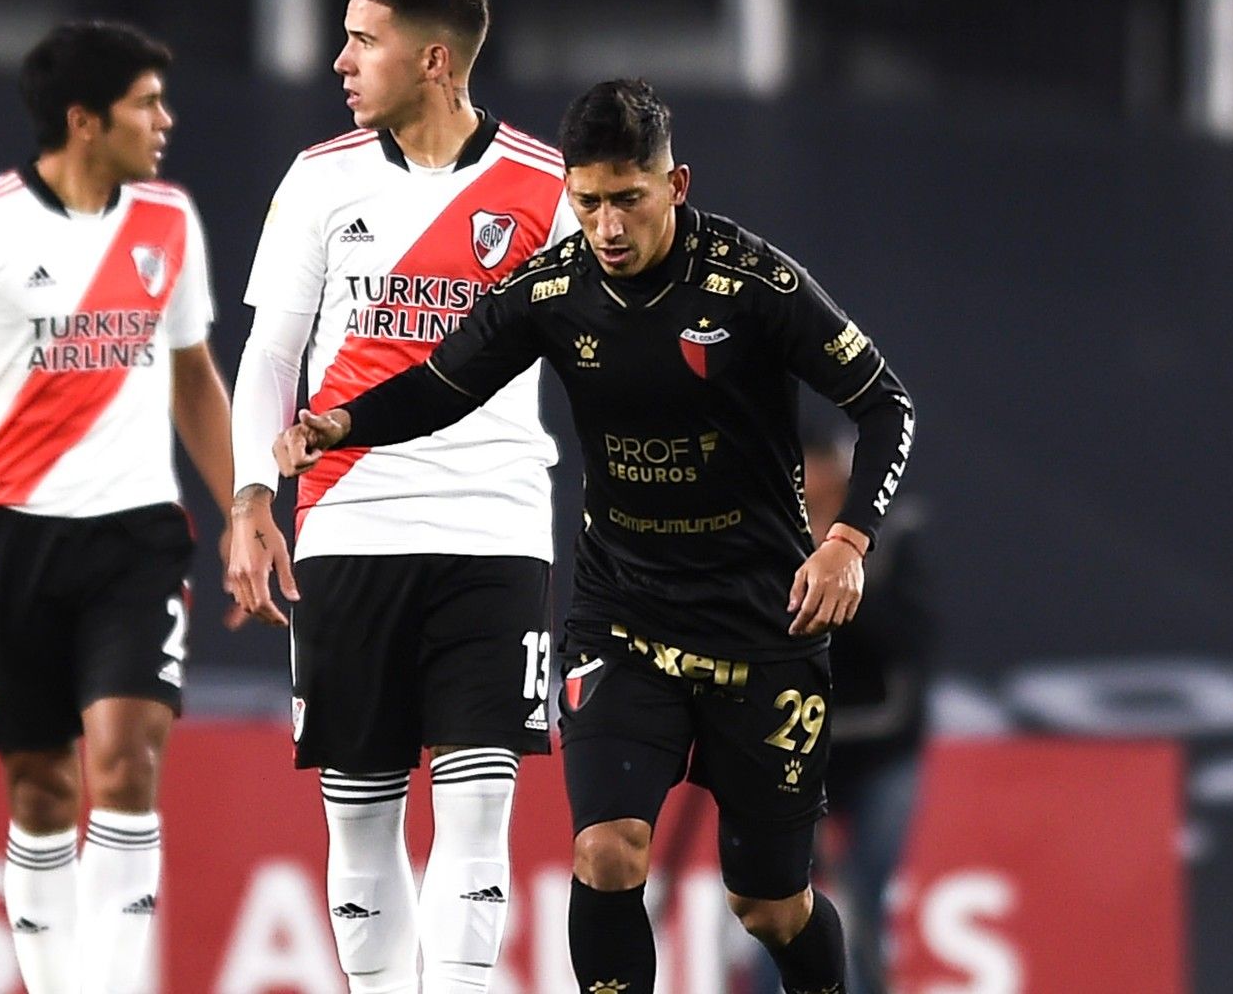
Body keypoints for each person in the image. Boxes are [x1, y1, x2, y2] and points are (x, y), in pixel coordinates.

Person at [275, 78, 916, 994]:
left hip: (760, 625)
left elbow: (886, 402)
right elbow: (443, 382)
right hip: (625, 626)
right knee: (606, 854)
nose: (607, 226)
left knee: (768, 904)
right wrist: (342, 423)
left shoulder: (754, 284)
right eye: (587, 203)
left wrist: (847, 540)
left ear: (676, 185)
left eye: (628, 199)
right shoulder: (554, 288)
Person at [226, 0, 581, 994]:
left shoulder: (548, 189)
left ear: (433, 61)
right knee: (362, 813)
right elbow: (271, 359)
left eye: (363, 39)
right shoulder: (319, 181)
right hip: (349, 527)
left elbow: (602, 360)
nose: (340, 59)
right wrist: (253, 496)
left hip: (495, 530)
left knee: (479, 811)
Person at [0, 20, 235, 994]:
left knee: (127, 763)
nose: (165, 121)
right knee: (40, 786)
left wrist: (246, 508)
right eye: (145, 105)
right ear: (86, 121)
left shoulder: (168, 221)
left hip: (137, 540)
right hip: (12, 540)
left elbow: (194, 379)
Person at [804, 428, 933, 994]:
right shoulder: (760, 536)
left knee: (866, 897)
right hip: (797, 746)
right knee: (785, 904)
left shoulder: (891, 535)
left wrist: (841, 583)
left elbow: (910, 641)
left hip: (882, 746)